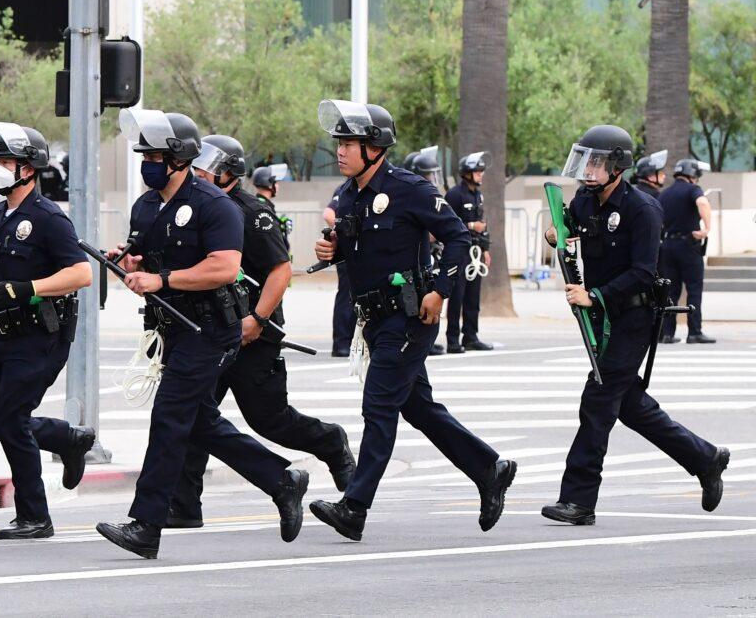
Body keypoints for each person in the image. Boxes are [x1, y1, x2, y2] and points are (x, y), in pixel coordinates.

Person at [96, 109, 309, 560]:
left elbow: (224, 267)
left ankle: (146, 524)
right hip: (174, 328)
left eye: (154, 155)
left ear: (178, 159)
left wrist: (161, 280)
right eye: (144, 154)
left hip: (212, 329)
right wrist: (133, 263)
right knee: (199, 421)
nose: (146, 162)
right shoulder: (147, 205)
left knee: (170, 416)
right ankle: (282, 480)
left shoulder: (217, 205)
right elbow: (149, 258)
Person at [308, 100, 516, 542]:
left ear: (375, 147)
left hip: (409, 316)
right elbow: (362, 250)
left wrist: (440, 291)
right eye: (339, 142)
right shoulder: (348, 196)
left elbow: (458, 238)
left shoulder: (409, 188)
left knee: (378, 406)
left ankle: (355, 507)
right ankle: (488, 468)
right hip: (375, 319)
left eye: (350, 143)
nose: (341, 150)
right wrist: (333, 252)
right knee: (419, 408)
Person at [165, 135, 357, 528]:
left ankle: (330, 443)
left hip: (253, 334)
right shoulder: (196, 206)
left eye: (206, 166)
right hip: (211, 331)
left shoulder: (253, 212)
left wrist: (257, 320)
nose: (197, 172)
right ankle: (184, 505)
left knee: (269, 420)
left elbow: (280, 270)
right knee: (192, 412)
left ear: (228, 172)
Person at [540, 126, 728, 525]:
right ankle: (706, 458)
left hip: (634, 317)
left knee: (597, 400)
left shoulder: (643, 209)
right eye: (587, 161)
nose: (589, 170)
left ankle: (578, 500)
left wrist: (597, 296)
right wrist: (558, 232)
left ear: (618, 166)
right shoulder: (586, 201)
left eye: (598, 162)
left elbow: (644, 272)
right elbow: (571, 227)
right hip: (603, 317)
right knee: (630, 407)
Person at [0, 121, 97, 540]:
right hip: (5, 335)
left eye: (7, 161)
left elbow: (81, 273)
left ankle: (35, 515)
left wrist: (29, 289)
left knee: (10, 417)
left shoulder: (47, 217)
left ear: (29, 169)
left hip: (42, 336)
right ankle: (67, 438)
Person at [658, 158, 715, 344]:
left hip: (667, 246)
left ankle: (667, 333)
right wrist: (706, 229)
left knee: (671, 292)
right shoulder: (693, 190)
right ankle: (694, 332)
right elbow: (703, 203)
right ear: (692, 176)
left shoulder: (665, 194)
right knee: (693, 290)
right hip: (688, 246)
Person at [444, 152, 493, 353]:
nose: (481, 174)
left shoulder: (478, 195)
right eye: (477, 171)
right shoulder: (455, 195)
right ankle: (453, 339)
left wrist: (485, 249)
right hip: (459, 252)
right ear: (466, 173)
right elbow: (446, 224)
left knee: (473, 297)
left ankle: (471, 336)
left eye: (481, 171)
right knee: (457, 296)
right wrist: (472, 225)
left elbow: (483, 223)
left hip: (476, 251)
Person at [402, 148, 446, 357]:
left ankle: (425, 341)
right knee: (412, 300)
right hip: (407, 265)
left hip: (424, 260)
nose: (431, 179)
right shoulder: (407, 196)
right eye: (427, 174)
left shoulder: (425, 196)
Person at [324, 183, 357, 357]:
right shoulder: (346, 188)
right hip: (348, 252)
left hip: (365, 253)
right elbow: (329, 214)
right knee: (347, 295)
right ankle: (341, 342)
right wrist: (347, 234)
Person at [251, 165, 293, 253]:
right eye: (276, 182)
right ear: (269, 184)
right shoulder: (263, 206)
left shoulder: (259, 203)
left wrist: (279, 224)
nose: (278, 186)